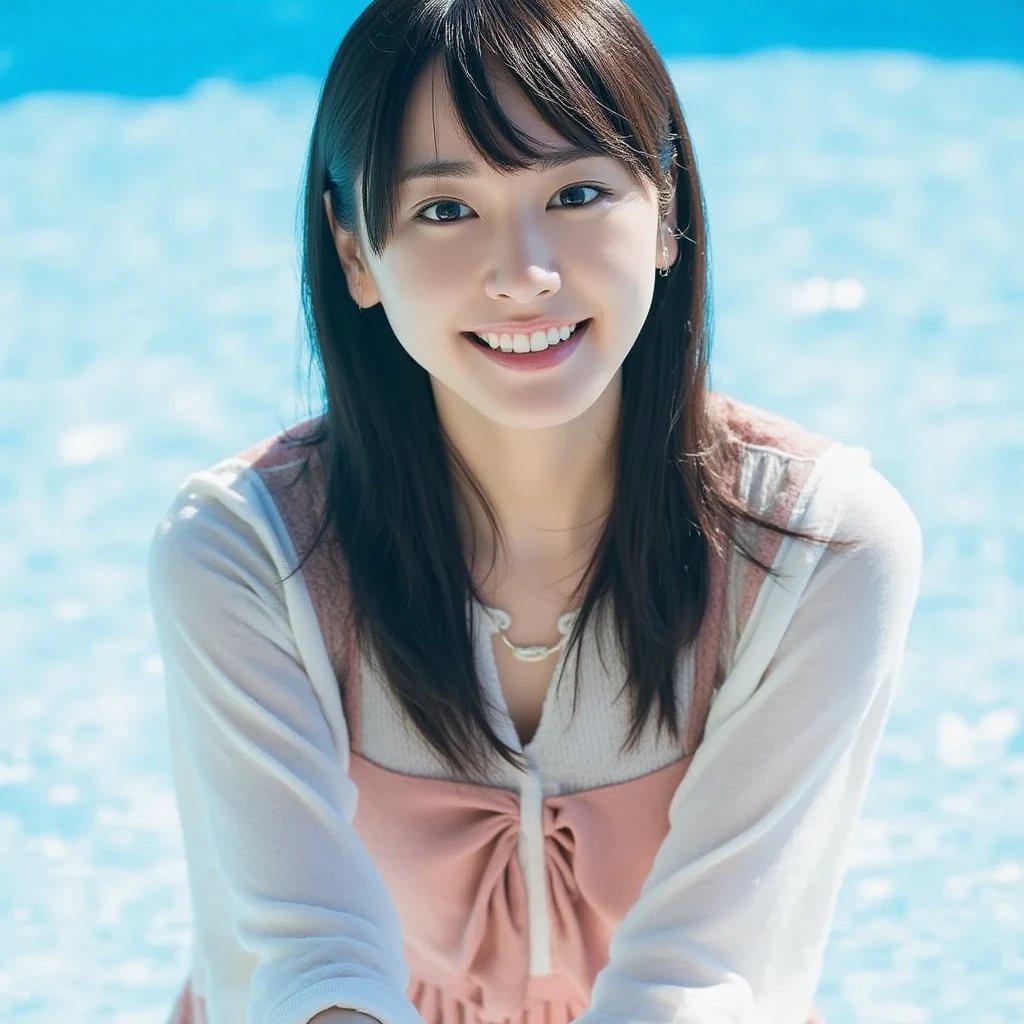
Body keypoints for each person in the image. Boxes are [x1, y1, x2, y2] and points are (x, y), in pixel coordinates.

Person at [148, 1, 923, 1022]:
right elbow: (305, 962)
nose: (524, 273)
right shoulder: (246, 554)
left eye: (576, 192)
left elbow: (705, 976)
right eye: (443, 210)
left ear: (665, 212)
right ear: (353, 252)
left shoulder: (816, 548)